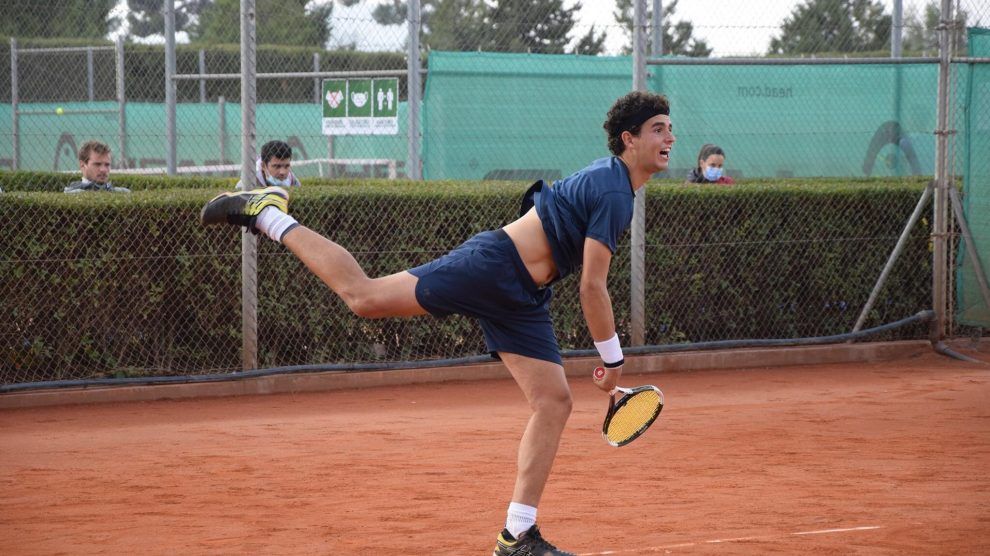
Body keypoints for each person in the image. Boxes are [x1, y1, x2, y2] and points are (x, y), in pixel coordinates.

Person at [200, 90, 676, 555]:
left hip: (524, 295)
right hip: (495, 265)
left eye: (670, 128)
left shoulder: (616, 187)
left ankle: (517, 535)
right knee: (365, 297)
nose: (669, 137)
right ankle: (268, 214)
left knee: (552, 400)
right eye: (658, 129)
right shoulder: (615, 190)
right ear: (628, 139)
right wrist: (613, 360)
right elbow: (592, 286)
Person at [64, 141, 130, 193]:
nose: (103, 170)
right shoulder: (71, 194)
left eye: (107, 165)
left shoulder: (123, 193)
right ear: (82, 165)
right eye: (97, 164)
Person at [235, 140, 301, 190]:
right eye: (277, 166)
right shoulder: (247, 184)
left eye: (287, 166)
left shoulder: (293, 181)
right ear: (263, 166)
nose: (282, 172)